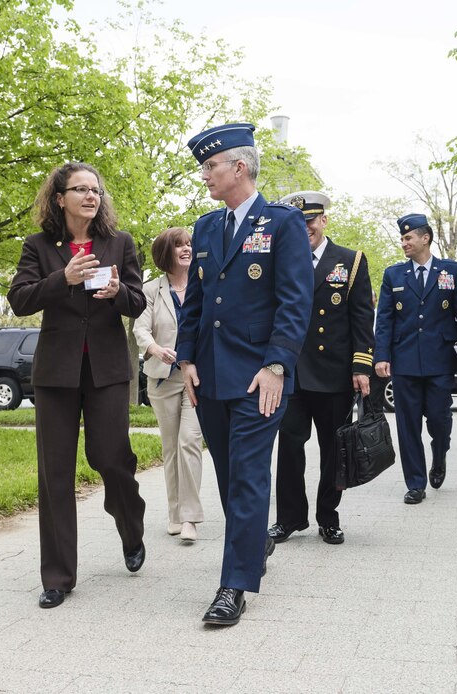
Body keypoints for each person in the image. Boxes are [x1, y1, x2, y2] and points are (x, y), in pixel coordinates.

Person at [176, 122, 313, 626]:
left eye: (210, 166)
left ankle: (234, 584)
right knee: (230, 473)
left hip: (260, 377)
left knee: (250, 477)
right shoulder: (207, 226)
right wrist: (186, 360)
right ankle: (252, 548)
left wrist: (277, 364)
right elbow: (195, 301)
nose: (205, 175)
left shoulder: (282, 223)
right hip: (210, 375)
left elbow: (296, 301)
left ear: (239, 167)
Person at [7, 161, 148, 609]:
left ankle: (130, 525)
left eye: (96, 190)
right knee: (55, 474)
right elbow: (20, 300)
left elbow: (138, 300)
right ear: (59, 197)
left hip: (106, 370)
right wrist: (61, 279)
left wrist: (117, 294)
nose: (91, 196)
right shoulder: (39, 247)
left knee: (111, 458)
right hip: (56, 375)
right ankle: (57, 577)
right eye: (81, 189)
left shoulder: (120, 244)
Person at [269, 191, 375, 546]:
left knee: (334, 450)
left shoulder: (351, 261)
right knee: (289, 447)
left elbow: (362, 319)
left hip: (333, 374)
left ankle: (328, 517)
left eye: (310, 221)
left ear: (323, 220)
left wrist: (362, 367)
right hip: (293, 372)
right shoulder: (281, 259)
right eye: (297, 223)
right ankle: (289, 519)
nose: (305, 228)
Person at [374, 213, 457, 505]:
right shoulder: (394, 275)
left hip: (440, 360)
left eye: (408, 238)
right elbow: (384, 320)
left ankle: (440, 452)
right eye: (402, 238)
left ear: (425, 238)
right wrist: (381, 355)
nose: (404, 243)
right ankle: (415, 484)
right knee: (407, 425)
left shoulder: (452, 272)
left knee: (439, 418)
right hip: (404, 360)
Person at [133, 227, 204, 543]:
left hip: (196, 378)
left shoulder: (203, 284)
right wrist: (154, 349)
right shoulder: (151, 290)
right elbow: (141, 329)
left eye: (189, 244)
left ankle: (189, 517)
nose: (187, 249)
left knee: (189, 441)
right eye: (179, 245)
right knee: (171, 448)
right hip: (162, 378)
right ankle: (175, 515)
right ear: (166, 253)